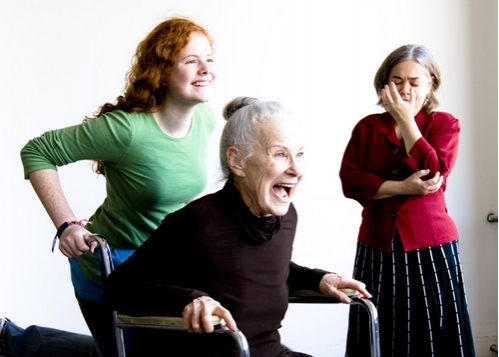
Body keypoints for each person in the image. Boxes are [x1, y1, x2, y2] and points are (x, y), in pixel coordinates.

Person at [11, 17, 217, 357]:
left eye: (209, 59)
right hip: (112, 266)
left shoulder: (204, 121)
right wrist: (66, 226)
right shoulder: (126, 130)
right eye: (191, 60)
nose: (205, 69)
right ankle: (15, 342)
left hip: (163, 272)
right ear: (163, 70)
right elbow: (38, 151)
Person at [104, 96, 372, 357]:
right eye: (280, 154)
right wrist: (189, 299)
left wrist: (318, 279)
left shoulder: (286, 217)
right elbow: (119, 287)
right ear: (237, 161)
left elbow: (254, 272)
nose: (295, 169)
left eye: (299, 154)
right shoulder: (199, 221)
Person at [339, 44, 475, 357]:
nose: (404, 89)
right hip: (377, 244)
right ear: (384, 84)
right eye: (397, 80)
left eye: (414, 82)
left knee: (431, 329)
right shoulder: (367, 128)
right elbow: (351, 181)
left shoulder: (444, 124)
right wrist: (403, 187)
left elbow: (435, 171)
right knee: (377, 324)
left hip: (429, 244)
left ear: (430, 86)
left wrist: (406, 119)